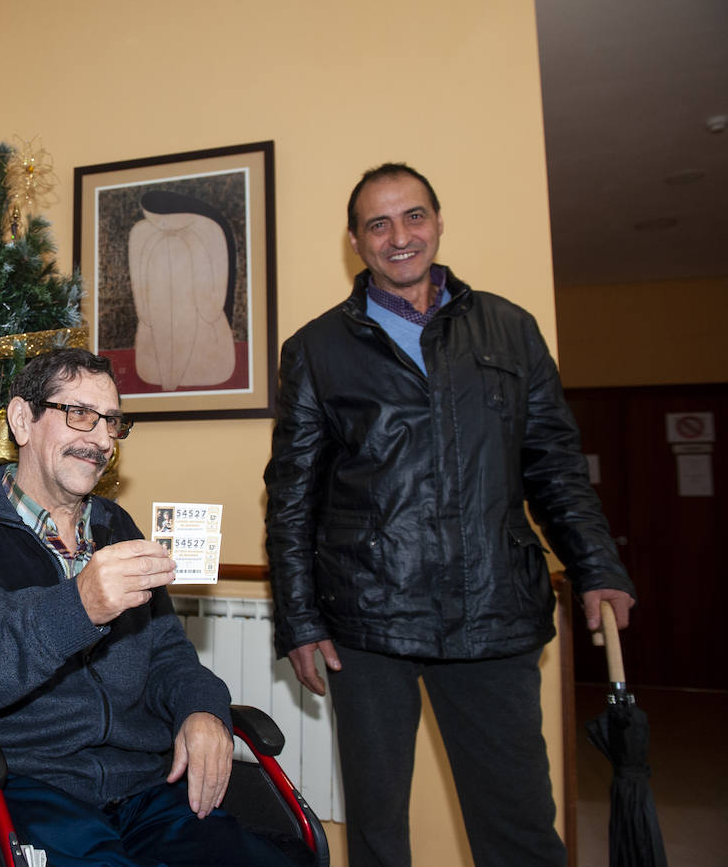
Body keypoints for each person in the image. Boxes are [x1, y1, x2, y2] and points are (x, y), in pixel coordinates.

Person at [263, 163, 637, 867]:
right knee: (378, 838)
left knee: (520, 829)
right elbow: (291, 498)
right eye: (378, 223)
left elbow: (554, 464)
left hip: (494, 615)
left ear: (437, 223)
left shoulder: (510, 330)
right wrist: (300, 620)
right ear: (355, 240)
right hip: (367, 626)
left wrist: (597, 567)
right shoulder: (315, 350)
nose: (398, 236)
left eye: (413, 217)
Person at [0, 348, 296, 867]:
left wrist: (202, 708)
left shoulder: (117, 527)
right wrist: (77, 607)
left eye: (111, 421)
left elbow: (168, 656)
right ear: (23, 420)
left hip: (142, 786)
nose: (100, 438)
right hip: (22, 786)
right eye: (79, 414)